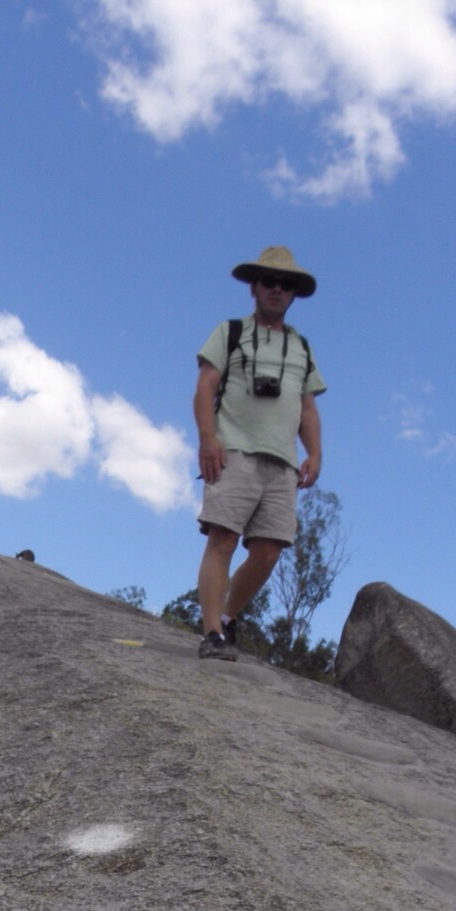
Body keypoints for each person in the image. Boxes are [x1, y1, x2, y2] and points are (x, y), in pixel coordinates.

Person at [193, 245, 326, 660]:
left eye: (286, 284)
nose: (277, 289)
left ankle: (228, 617)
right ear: (254, 287)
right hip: (233, 451)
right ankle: (212, 633)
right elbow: (205, 386)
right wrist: (208, 438)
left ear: (294, 294)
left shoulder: (301, 347)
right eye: (269, 281)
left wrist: (315, 453)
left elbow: (307, 407)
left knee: (269, 551)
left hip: (283, 463)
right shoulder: (230, 332)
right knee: (223, 538)